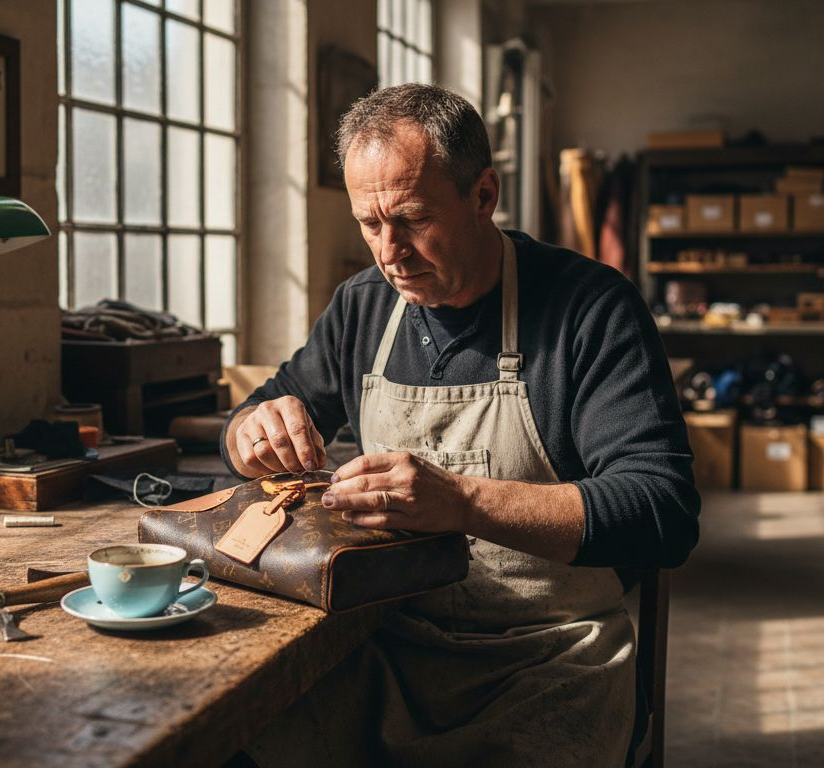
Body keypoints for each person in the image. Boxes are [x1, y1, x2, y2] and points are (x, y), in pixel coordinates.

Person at [220, 84, 700, 767]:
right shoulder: (363, 309)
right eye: (370, 224)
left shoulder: (591, 311)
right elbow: (259, 413)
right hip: (385, 644)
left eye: (413, 219)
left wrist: (464, 502)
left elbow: (663, 511)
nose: (391, 252)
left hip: (549, 658)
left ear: (483, 195)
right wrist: (250, 433)